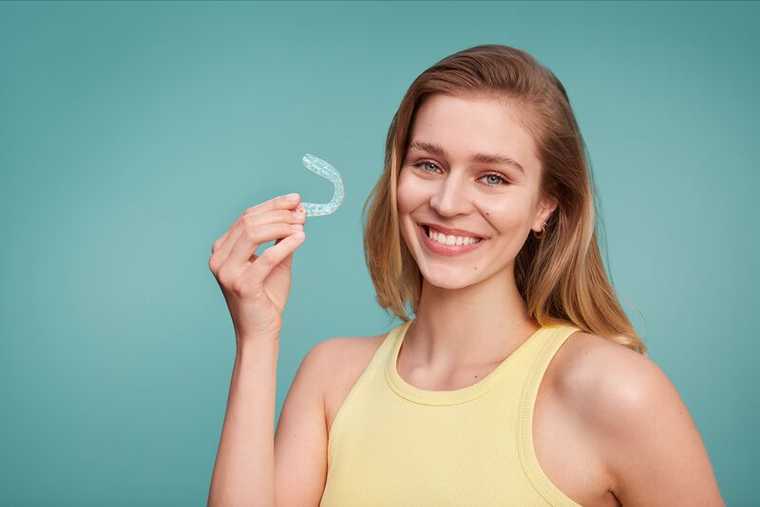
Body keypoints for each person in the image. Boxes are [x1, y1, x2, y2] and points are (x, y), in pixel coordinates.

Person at [206, 44, 724, 507]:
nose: (447, 202)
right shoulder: (331, 379)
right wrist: (257, 337)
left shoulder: (616, 394)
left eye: (493, 177)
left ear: (547, 204)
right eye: (428, 165)